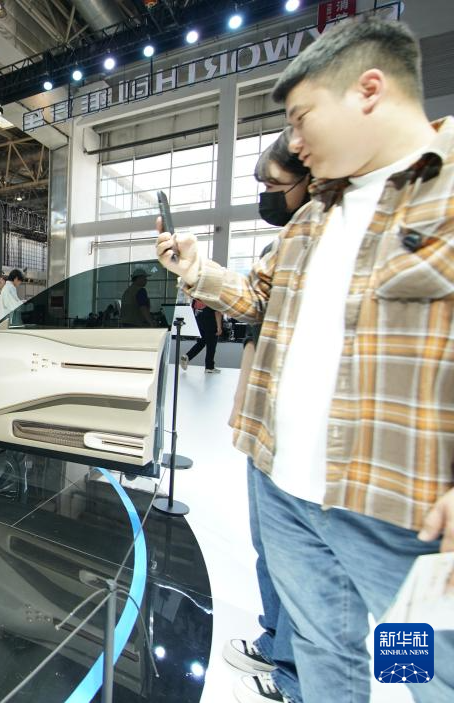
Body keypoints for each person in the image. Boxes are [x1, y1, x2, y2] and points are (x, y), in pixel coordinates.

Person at [156, 18, 453, 703]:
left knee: (422, 669)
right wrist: (197, 270)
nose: (293, 140)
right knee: (322, 649)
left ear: (369, 90)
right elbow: (259, 300)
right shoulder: (312, 218)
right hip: (284, 488)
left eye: (300, 117)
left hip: (395, 511)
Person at [226, 130, 311, 703]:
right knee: (276, 554)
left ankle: (299, 680)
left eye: (274, 183)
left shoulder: (423, 194)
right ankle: (281, 653)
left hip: (370, 464)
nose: (267, 194)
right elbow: (257, 305)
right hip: (277, 431)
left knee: (412, 625)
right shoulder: (300, 232)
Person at [181, 297, 223, 373]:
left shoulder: (196, 298)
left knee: (201, 343)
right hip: (211, 322)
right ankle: (209, 367)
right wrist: (219, 327)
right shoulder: (212, 298)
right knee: (211, 345)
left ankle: (188, 356)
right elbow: (217, 312)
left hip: (199, 322)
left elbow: (194, 310)